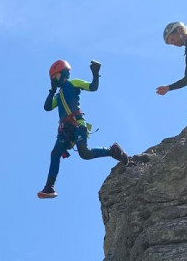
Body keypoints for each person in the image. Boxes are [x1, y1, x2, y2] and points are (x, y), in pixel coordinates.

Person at [37, 59, 129, 199]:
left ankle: (113, 151)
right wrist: (52, 90)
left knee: (84, 153)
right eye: (52, 79)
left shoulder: (73, 83)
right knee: (55, 153)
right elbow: (47, 107)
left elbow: (93, 87)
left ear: (63, 73)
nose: (54, 80)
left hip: (78, 125)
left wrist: (95, 74)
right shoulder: (58, 95)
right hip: (65, 131)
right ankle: (49, 187)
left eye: (55, 77)